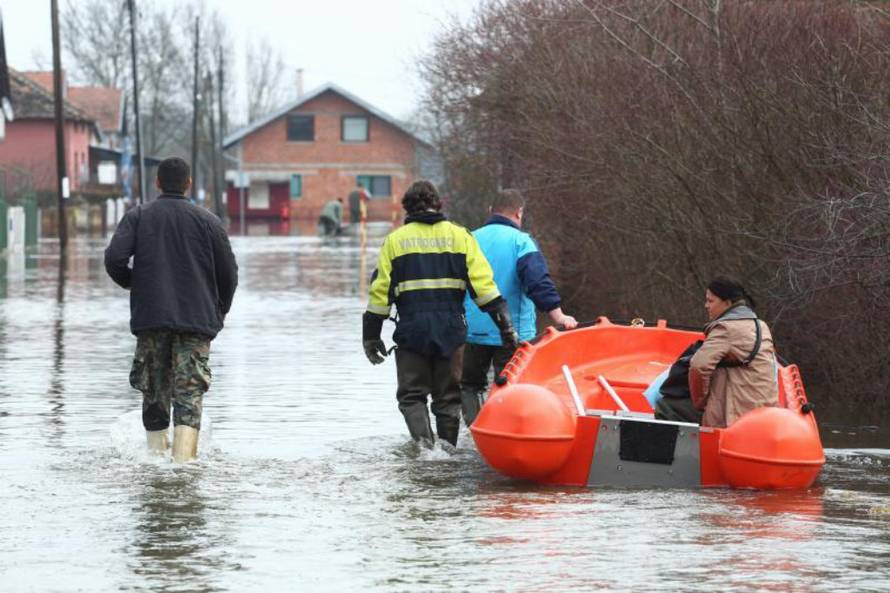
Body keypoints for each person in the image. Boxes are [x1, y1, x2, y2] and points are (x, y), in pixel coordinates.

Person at [362, 180, 519, 447]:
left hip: (412, 332)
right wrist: (506, 328)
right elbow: (485, 288)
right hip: (451, 330)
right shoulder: (461, 236)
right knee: (448, 398)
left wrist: (371, 336)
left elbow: (380, 293)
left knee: (412, 396)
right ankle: (447, 452)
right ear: (440, 204)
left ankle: (426, 451)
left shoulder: (395, 242)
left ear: (406, 209)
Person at [104, 157, 238, 462]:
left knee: (153, 390)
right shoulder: (209, 222)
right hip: (196, 322)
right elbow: (229, 273)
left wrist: (133, 284)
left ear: (157, 183)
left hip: (151, 319)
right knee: (189, 393)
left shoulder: (138, 216)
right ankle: (182, 467)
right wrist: (219, 312)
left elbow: (114, 259)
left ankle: (155, 461)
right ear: (189, 183)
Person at [460, 189, 578, 426]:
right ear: (519, 212)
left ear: (490, 211)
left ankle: (475, 431)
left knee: (470, 387)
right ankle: (502, 431)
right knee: (510, 387)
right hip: (512, 334)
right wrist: (558, 316)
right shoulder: (521, 241)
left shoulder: (469, 239)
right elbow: (538, 282)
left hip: (473, 331)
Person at [656, 276, 778, 427]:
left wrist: (700, 401)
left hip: (736, 413)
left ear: (727, 303)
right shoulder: (761, 326)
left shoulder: (726, 328)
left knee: (665, 406)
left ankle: (694, 450)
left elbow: (698, 366)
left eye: (710, 301)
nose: (706, 305)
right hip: (762, 409)